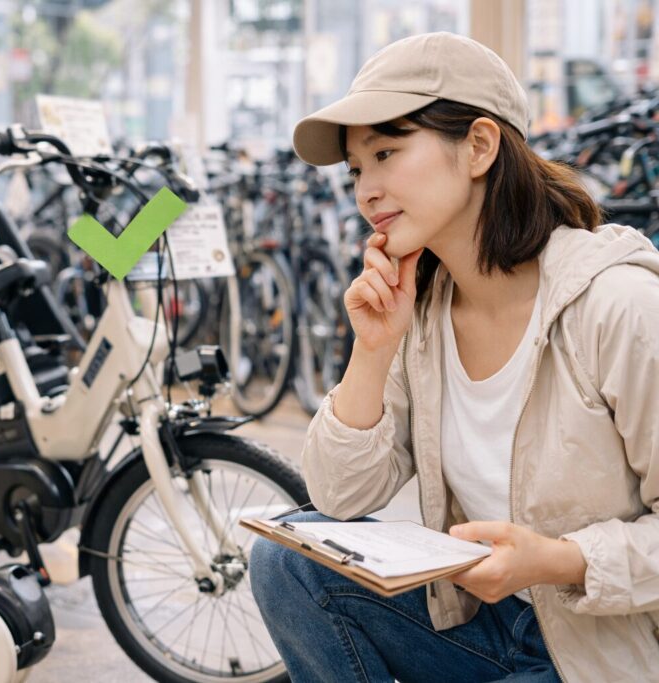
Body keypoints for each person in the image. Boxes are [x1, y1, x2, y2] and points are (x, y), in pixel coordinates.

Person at [250, 32, 659, 682]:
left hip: (597, 652)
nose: (367, 189)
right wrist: (373, 349)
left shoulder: (618, 306)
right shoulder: (426, 312)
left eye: (386, 152)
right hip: (477, 624)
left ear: (478, 146)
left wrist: (556, 559)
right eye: (357, 168)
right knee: (286, 563)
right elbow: (338, 495)